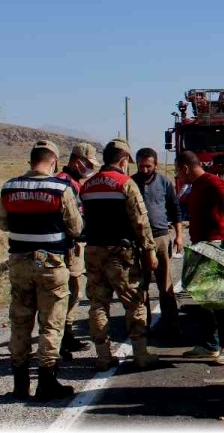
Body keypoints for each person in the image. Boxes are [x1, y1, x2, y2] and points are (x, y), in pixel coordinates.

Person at [0, 140, 84, 401]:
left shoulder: (9, 187)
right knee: (51, 323)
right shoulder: (60, 188)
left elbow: (2, 223)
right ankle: (46, 382)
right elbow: (76, 227)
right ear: (53, 161)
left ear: (31, 160)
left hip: (19, 261)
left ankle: (20, 384)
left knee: (20, 322)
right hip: (50, 263)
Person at [79, 139, 159, 371]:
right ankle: (141, 355)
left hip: (94, 252)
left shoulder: (88, 184)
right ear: (124, 161)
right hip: (121, 253)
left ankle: (103, 356)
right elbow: (140, 222)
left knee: (98, 304)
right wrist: (149, 250)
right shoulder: (125, 184)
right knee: (134, 303)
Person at [175, 150, 224, 365]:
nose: (178, 175)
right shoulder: (196, 186)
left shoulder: (212, 182)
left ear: (185, 168)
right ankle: (210, 346)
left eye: (178, 171)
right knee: (204, 299)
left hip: (215, 248)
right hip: (200, 248)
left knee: (221, 298)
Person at [133, 147, 182, 337]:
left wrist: (178, 235)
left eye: (148, 166)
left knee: (165, 285)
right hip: (139, 241)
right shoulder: (131, 183)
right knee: (140, 285)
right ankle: (142, 326)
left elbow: (175, 209)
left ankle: (172, 325)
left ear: (155, 164)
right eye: (141, 166)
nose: (145, 170)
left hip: (161, 237)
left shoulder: (164, 182)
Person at [57, 142, 98, 360]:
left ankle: (67, 333)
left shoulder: (74, 182)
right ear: (76, 161)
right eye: (88, 164)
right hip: (68, 246)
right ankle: (62, 337)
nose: (90, 168)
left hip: (74, 245)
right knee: (68, 291)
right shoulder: (65, 183)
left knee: (73, 291)